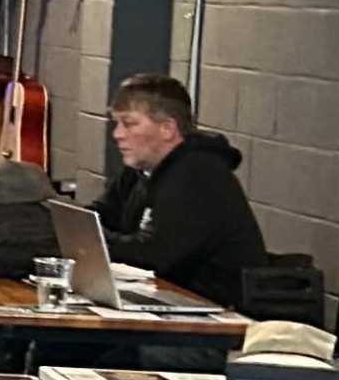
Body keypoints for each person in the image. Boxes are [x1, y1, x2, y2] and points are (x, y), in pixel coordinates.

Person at [93, 73, 264, 308]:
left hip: (211, 314)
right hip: (164, 304)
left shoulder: (199, 174)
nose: (117, 134)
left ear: (167, 128)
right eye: (117, 124)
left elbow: (155, 255)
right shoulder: (139, 171)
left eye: (129, 123)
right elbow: (101, 216)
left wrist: (94, 241)